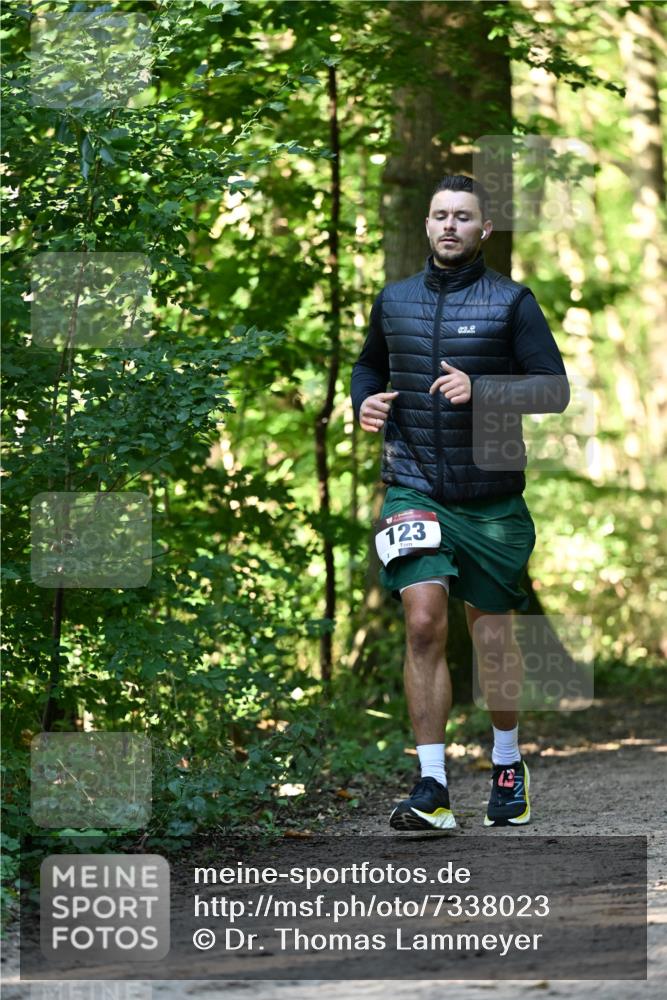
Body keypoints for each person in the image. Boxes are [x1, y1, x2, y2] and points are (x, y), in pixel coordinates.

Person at [351, 174, 570, 831]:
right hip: (412, 484)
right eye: (439, 214)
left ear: (484, 229)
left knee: (491, 636)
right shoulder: (393, 300)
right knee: (422, 621)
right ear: (426, 224)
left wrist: (484, 390)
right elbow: (368, 365)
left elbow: (553, 389)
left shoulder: (512, 302)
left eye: (462, 216)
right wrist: (364, 401)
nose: (449, 225)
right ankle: (432, 784)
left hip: (490, 498)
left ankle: (506, 761)